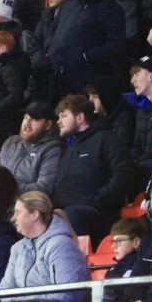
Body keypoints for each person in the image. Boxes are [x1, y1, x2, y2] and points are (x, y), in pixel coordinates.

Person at [52, 94, 136, 243]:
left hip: (100, 215)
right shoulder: (69, 150)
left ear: (80, 118)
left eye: (63, 116)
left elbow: (124, 174)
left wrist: (96, 200)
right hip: (67, 212)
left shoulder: (106, 139)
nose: (58, 121)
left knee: (72, 214)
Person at [0, 101, 63, 196]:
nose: (27, 123)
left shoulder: (52, 150)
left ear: (48, 125)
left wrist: (8, 189)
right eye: (26, 117)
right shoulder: (11, 141)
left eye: (34, 119)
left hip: (24, 206)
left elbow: (44, 187)